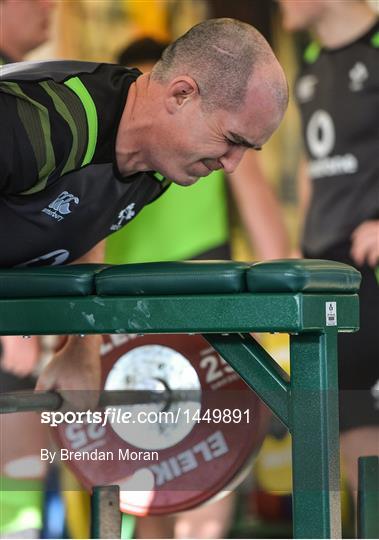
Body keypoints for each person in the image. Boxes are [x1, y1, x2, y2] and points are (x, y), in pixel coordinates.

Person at [0, 18, 288, 402]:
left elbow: (88, 221)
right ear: (181, 94)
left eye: (247, 150)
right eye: (231, 140)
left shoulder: (155, 164)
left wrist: (81, 346)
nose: (232, 165)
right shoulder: (42, 121)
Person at [105, 36, 289, 540]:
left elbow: (258, 204)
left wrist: (287, 306)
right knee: (154, 483)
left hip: (199, 297)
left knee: (204, 473)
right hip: (125, 312)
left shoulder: (214, 136)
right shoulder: (110, 144)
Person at [278, 0, 379, 498]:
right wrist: (302, 249)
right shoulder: (312, 62)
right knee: (345, 421)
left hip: (371, 263)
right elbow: (311, 165)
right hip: (328, 269)